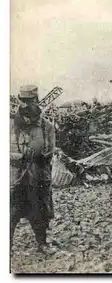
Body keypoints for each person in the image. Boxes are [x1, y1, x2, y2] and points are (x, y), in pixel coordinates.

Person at [11, 85, 57, 255]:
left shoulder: (47, 126)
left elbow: (50, 151)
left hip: (37, 175)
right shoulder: (10, 124)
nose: (26, 105)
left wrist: (36, 156)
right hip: (15, 177)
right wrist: (18, 157)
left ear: (37, 101)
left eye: (30, 101)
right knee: (11, 212)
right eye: (23, 101)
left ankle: (42, 244)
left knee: (40, 210)